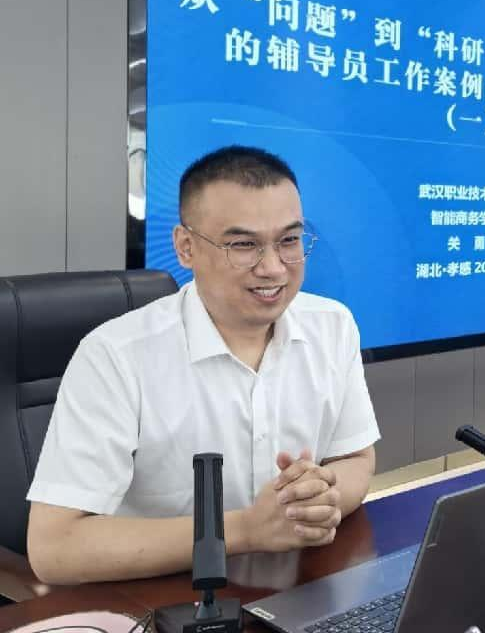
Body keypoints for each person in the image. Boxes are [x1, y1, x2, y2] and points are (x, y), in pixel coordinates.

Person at [26, 146, 380, 584]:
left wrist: (317, 500)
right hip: (159, 595)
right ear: (185, 247)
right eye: (243, 245)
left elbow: (355, 460)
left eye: (289, 241)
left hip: (297, 585)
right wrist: (245, 530)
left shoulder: (333, 326)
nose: (273, 268)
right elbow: (54, 548)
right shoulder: (115, 356)